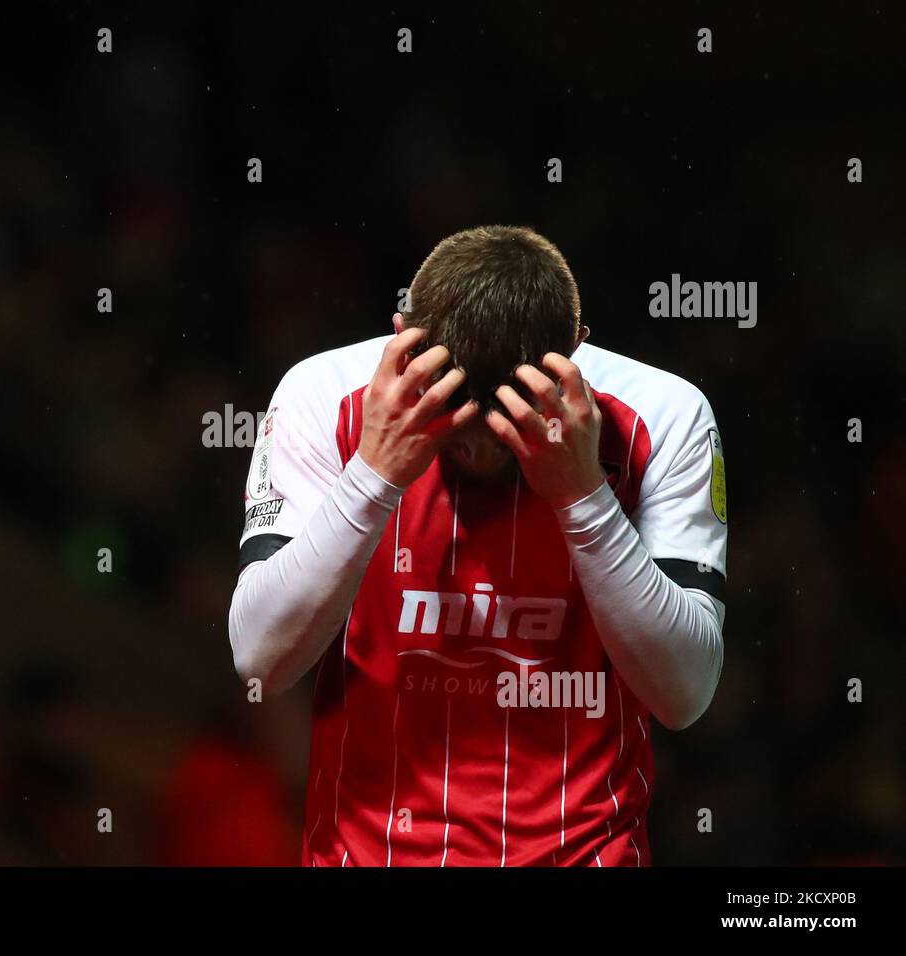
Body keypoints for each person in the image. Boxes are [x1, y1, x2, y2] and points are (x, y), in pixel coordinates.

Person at [228, 225, 727, 866]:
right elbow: (260, 661)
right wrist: (373, 477)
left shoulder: (665, 415)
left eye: (509, 412)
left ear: (576, 350)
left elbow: (685, 694)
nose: (482, 447)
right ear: (401, 334)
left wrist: (584, 499)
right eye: (457, 409)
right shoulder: (321, 398)